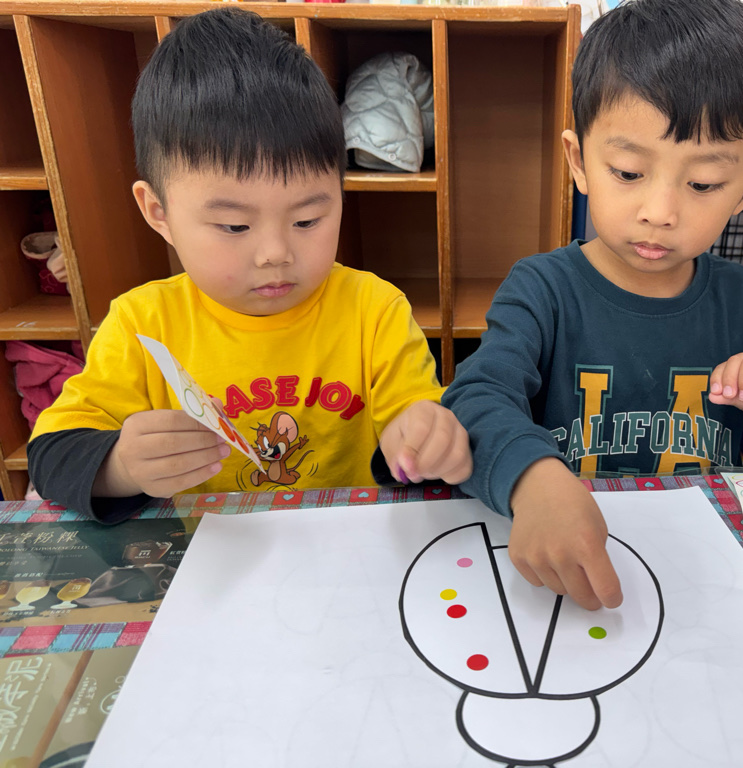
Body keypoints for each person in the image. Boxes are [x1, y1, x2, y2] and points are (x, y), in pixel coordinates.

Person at [442, 0, 743, 611]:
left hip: (703, 566)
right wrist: (531, 480)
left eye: (703, 184)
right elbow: (476, 398)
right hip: (565, 561)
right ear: (579, 162)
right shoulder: (542, 288)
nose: (660, 212)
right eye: (627, 172)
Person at [28, 8, 471, 523]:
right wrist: (120, 466)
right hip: (205, 555)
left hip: (346, 549)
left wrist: (424, 441)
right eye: (235, 226)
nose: (275, 253)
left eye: (307, 219)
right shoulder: (141, 324)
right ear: (159, 213)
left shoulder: (374, 310)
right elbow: (51, 454)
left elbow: (416, 420)